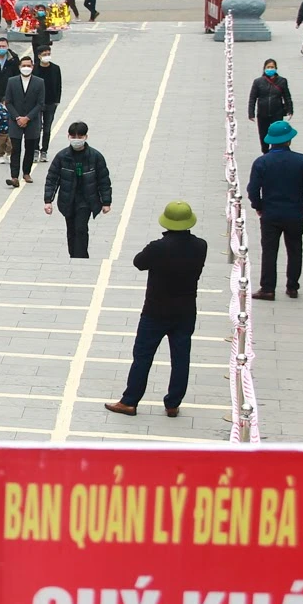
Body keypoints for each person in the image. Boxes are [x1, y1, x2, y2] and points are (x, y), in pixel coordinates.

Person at [105, 203, 207, 419]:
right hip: (186, 311)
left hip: (155, 311)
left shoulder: (158, 247)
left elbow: (138, 262)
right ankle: (173, 403)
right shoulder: (201, 246)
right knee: (181, 358)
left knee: (143, 356)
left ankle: (130, 401)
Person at [248, 119, 303, 300]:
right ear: (289, 140)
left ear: (270, 140)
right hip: (295, 214)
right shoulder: (302, 161)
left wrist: (258, 206)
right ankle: (292, 286)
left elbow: (253, 189)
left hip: (270, 214)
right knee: (295, 249)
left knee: (269, 251)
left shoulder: (261, 162)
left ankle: (268, 288)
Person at [43, 122, 114, 259]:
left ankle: (81, 257)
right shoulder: (62, 157)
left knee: (81, 228)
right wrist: (48, 200)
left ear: (86, 137)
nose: (76, 139)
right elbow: (52, 179)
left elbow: (103, 180)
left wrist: (106, 202)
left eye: (80, 136)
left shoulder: (95, 157)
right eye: (73, 136)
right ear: (68, 136)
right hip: (67, 199)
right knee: (71, 230)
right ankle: (73, 255)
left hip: (87, 200)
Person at [3, 55, 46, 187]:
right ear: (19, 67)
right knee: (15, 149)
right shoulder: (12, 81)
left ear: (32, 67)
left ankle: (26, 172)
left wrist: (27, 118)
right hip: (15, 120)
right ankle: (14, 176)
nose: (26, 68)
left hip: (32, 121)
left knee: (30, 147)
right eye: (24, 65)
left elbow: (40, 103)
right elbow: (8, 102)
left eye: (29, 65)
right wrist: (17, 117)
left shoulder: (39, 82)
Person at [246, 59, 295, 155]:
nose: (270, 69)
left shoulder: (282, 81)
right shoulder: (258, 82)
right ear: (264, 68)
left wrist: (290, 110)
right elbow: (252, 98)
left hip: (277, 112)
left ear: (276, 68)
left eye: (272, 67)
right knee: (263, 134)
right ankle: (265, 152)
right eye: (268, 67)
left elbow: (287, 96)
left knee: (276, 133)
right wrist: (251, 113)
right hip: (262, 113)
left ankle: (275, 151)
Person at [33, 49, 63, 162]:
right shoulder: (35, 69)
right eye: (44, 54)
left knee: (47, 128)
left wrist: (57, 100)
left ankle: (44, 151)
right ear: (39, 56)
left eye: (48, 54)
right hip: (37, 103)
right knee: (36, 127)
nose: (47, 56)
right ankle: (35, 150)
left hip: (51, 102)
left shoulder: (55, 68)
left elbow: (58, 85)